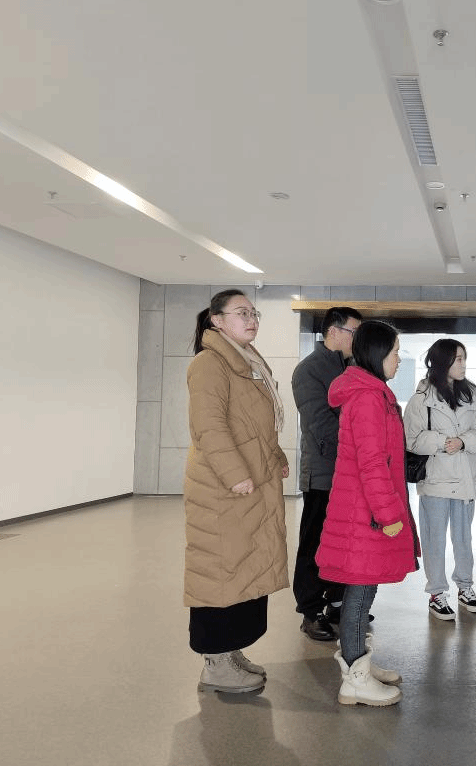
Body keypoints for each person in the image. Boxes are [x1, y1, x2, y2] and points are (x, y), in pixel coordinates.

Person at [183, 289, 290, 693]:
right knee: (219, 570)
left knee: (244, 567)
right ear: (217, 320)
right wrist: (234, 473)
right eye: (241, 313)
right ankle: (215, 662)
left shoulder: (247, 361)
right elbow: (208, 425)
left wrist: (276, 455)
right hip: (222, 489)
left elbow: (258, 425)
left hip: (250, 484)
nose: (252, 320)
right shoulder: (209, 363)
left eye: (254, 313)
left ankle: (230, 650)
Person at [316, 320, 420, 706]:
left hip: (365, 510)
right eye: (395, 352)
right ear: (377, 354)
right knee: (359, 593)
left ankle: (357, 660)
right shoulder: (367, 399)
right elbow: (373, 463)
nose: (398, 359)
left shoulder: (373, 393)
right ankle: (355, 679)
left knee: (365, 587)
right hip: (366, 513)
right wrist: (390, 514)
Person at [405, 339, 476, 621]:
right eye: (458, 359)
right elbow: (411, 440)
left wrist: (463, 441)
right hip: (436, 480)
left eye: (464, 358)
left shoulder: (472, 394)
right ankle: (436, 593)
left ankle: (465, 587)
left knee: (463, 537)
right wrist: (443, 442)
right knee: (434, 539)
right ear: (442, 362)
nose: (463, 364)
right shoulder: (421, 400)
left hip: (466, 478)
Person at [291, 306, 363, 642]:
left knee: (343, 543)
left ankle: (335, 602)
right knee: (315, 544)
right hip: (323, 473)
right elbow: (320, 424)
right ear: (333, 331)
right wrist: (359, 442)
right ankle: (309, 610)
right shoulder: (309, 370)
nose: (357, 339)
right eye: (353, 332)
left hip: (350, 473)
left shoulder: (353, 366)